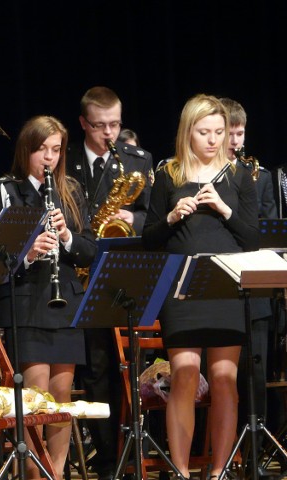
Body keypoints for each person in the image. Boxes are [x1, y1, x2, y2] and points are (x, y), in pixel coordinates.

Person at [142, 94, 258, 479]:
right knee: (186, 374)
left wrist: (224, 210)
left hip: (226, 285)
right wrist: (173, 215)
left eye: (219, 132)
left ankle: (219, 470)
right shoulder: (168, 175)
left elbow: (254, 239)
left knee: (225, 380)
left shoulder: (240, 176)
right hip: (181, 290)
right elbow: (149, 238)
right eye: (204, 131)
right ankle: (182, 471)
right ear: (187, 132)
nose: (213, 139)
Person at [0, 115, 97, 479]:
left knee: (62, 399)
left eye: (56, 149)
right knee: (34, 397)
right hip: (26, 300)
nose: (49, 157)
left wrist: (65, 237)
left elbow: (89, 250)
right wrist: (29, 253)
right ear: (26, 150)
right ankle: (34, 474)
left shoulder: (71, 191)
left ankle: (57, 472)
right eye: (41, 149)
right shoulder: (6, 190)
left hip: (63, 301)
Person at [66, 86, 153, 480]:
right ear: (83, 123)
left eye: (115, 124)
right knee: (96, 371)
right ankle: (104, 462)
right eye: (100, 125)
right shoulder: (64, 163)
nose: (109, 133)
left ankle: (131, 455)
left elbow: (155, 218)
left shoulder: (138, 161)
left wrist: (135, 218)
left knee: (127, 367)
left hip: (119, 275)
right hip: (75, 274)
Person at [219, 97, 276, 443]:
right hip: (216, 286)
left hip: (253, 285)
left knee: (254, 370)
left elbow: (268, 230)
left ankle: (256, 442)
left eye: (241, 134)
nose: (237, 142)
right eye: (231, 134)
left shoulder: (260, 176)